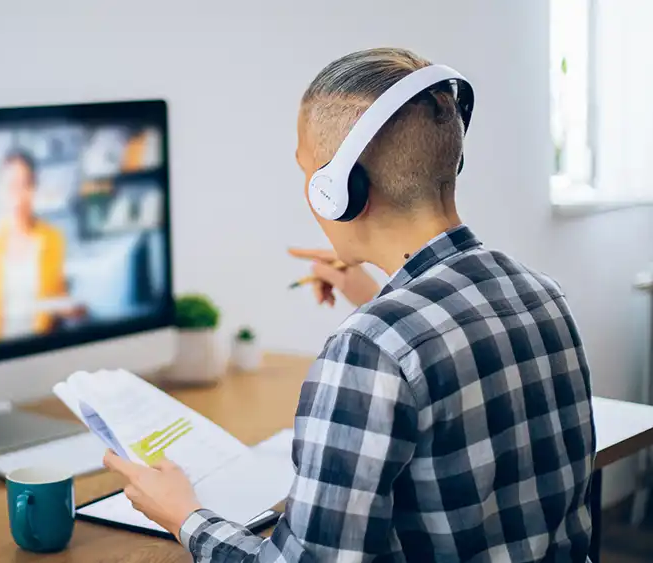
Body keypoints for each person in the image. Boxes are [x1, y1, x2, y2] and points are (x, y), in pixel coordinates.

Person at [103, 48, 596, 562]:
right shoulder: (540, 293)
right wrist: (374, 292)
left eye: (307, 172)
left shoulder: (371, 348)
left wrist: (184, 516)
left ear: (340, 190)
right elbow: (448, 349)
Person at [0, 149, 81, 343]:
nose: (17, 196)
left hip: (40, 346)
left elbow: (58, 295)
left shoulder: (53, 239)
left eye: (24, 185)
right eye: (10, 186)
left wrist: (72, 309)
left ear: (34, 189)